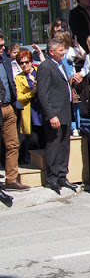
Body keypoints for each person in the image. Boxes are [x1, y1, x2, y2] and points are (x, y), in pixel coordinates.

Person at [37, 38, 76, 194]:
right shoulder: (45, 67)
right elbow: (43, 94)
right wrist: (51, 115)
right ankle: (52, 178)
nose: (64, 53)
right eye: (61, 50)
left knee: (64, 145)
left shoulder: (60, 66)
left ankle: (62, 175)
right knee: (54, 145)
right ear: (51, 52)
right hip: (55, 114)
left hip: (65, 111)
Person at [0, 32, 28, 192]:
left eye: (3, 45)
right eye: (0, 46)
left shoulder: (4, 60)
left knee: (13, 144)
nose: (3, 48)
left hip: (9, 107)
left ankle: (11, 179)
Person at [15, 50, 44, 157]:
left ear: (31, 61)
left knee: (45, 138)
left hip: (43, 109)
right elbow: (19, 97)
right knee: (34, 140)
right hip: (31, 112)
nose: (24, 65)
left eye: (27, 62)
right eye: (21, 63)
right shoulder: (18, 78)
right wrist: (32, 93)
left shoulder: (39, 71)